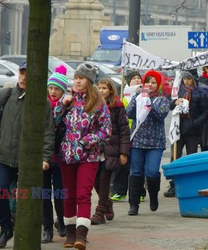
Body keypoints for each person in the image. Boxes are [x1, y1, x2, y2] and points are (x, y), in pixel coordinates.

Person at [0, 61, 54, 249]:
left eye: (28, 73)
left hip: (30, 161)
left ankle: (37, 228)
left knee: (32, 197)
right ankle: (6, 228)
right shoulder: (4, 96)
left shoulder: (42, 102)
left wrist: (45, 158)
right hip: (5, 158)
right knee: (0, 193)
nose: (24, 77)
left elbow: (48, 132)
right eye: (22, 73)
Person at [53, 63, 112, 249]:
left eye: (82, 78)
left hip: (88, 157)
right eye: (76, 77)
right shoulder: (68, 100)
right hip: (67, 156)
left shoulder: (98, 103)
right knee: (68, 196)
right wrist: (61, 106)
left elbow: (106, 130)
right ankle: (70, 235)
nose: (77, 81)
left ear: (89, 81)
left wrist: (87, 141)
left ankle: (81, 236)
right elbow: (53, 123)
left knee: (83, 195)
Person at [126, 70, 170, 215]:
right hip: (138, 140)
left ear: (157, 85)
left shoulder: (162, 99)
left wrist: (148, 102)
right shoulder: (139, 96)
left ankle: (153, 195)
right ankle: (134, 204)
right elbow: (129, 113)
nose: (149, 85)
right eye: (147, 82)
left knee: (152, 172)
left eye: (153, 82)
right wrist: (138, 97)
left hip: (155, 142)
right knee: (136, 172)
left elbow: (160, 115)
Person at [164, 70, 208, 197]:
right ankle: (173, 185)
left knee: (191, 158)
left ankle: (191, 184)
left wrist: (195, 123)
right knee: (175, 157)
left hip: (193, 131)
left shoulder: (200, 92)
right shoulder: (178, 91)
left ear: (194, 79)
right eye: (184, 79)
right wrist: (174, 102)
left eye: (189, 79)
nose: (186, 82)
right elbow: (169, 104)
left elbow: (206, 112)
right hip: (178, 128)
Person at [91, 77, 130, 225]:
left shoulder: (117, 106)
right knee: (95, 180)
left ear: (110, 90)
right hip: (96, 148)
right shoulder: (93, 104)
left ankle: (100, 212)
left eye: (104, 88)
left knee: (104, 178)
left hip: (111, 148)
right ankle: (107, 202)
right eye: (99, 88)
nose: (101, 91)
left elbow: (124, 130)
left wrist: (123, 152)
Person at [42, 65, 69, 243]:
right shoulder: (41, 106)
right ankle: (47, 228)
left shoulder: (66, 107)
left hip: (60, 158)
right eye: (50, 88)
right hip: (44, 158)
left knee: (59, 193)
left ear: (62, 91)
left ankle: (61, 221)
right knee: (43, 194)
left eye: (56, 89)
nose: (52, 92)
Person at [110, 70, 145, 202]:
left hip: (138, 136)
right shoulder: (122, 98)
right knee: (123, 164)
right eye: (134, 78)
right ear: (128, 81)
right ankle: (119, 191)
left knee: (137, 165)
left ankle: (139, 191)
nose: (137, 80)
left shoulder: (143, 97)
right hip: (124, 136)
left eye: (139, 78)